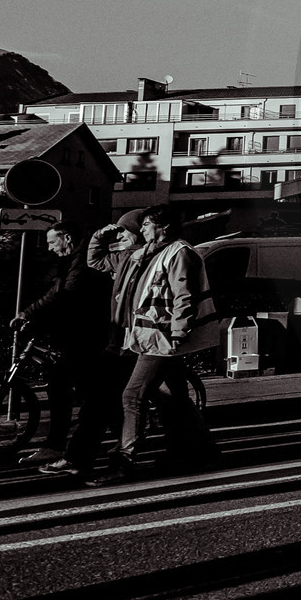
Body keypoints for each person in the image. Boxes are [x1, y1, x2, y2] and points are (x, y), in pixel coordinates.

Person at [109, 205, 223, 481]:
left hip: (162, 339)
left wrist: (178, 333)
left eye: (147, 224)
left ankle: (124, 460)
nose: (143, 229)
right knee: (177, 397)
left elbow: (185, 295)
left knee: (132, 395)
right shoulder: (153, 252)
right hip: (150, 336)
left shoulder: (180, 253)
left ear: (165, 227)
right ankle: (204, 450)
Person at [43, 210, 155, 482]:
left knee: (120, 399)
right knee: (103, 399)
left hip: (140, 341)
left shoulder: (153, 258)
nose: (122, 236)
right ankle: (79, 457)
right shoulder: (129, 257)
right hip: (122, 341)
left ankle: (114, 460)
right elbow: (95, 260)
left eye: (125, 232)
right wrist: (99, 235)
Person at [11, 223, 109, 466]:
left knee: (70, 388)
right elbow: (55, 293)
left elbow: (66, 297)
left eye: (52, 242)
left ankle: (61, 447)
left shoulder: (83, 262)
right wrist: (29, 313)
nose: (50, 248)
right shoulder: (72, 261)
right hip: (76, 334)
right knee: (80, 389)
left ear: (66, 237)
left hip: (85, 335)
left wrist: (32, 317)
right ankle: (65, 444)